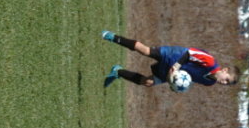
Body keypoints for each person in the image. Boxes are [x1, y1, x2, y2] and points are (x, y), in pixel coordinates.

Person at [100, 30, 240, 89]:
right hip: (175, 56)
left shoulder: (209, 82)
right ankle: (112, 37)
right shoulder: (210, 62)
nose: (224, 82)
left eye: (227, 84)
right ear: (225, 70)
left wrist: (175, 85)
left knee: (148, 82)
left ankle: (118, 72)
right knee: (145, 50)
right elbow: (190, 53)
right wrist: (176, 66)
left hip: (174, 70)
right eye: (226, 79)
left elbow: (188, 77)